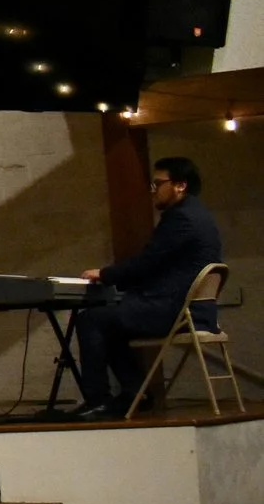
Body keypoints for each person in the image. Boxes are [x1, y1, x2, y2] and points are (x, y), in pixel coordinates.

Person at [71, 157, 224, 420]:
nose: (153, 190)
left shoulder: (181, 219)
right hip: (197, 311)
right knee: (112, 323)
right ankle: (135, 393)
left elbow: (147, 263)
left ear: (180, 185)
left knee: (90, 320)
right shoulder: (199, 215)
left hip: (176, 312)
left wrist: (104, 274)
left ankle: (98, 400)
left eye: (158, 183)